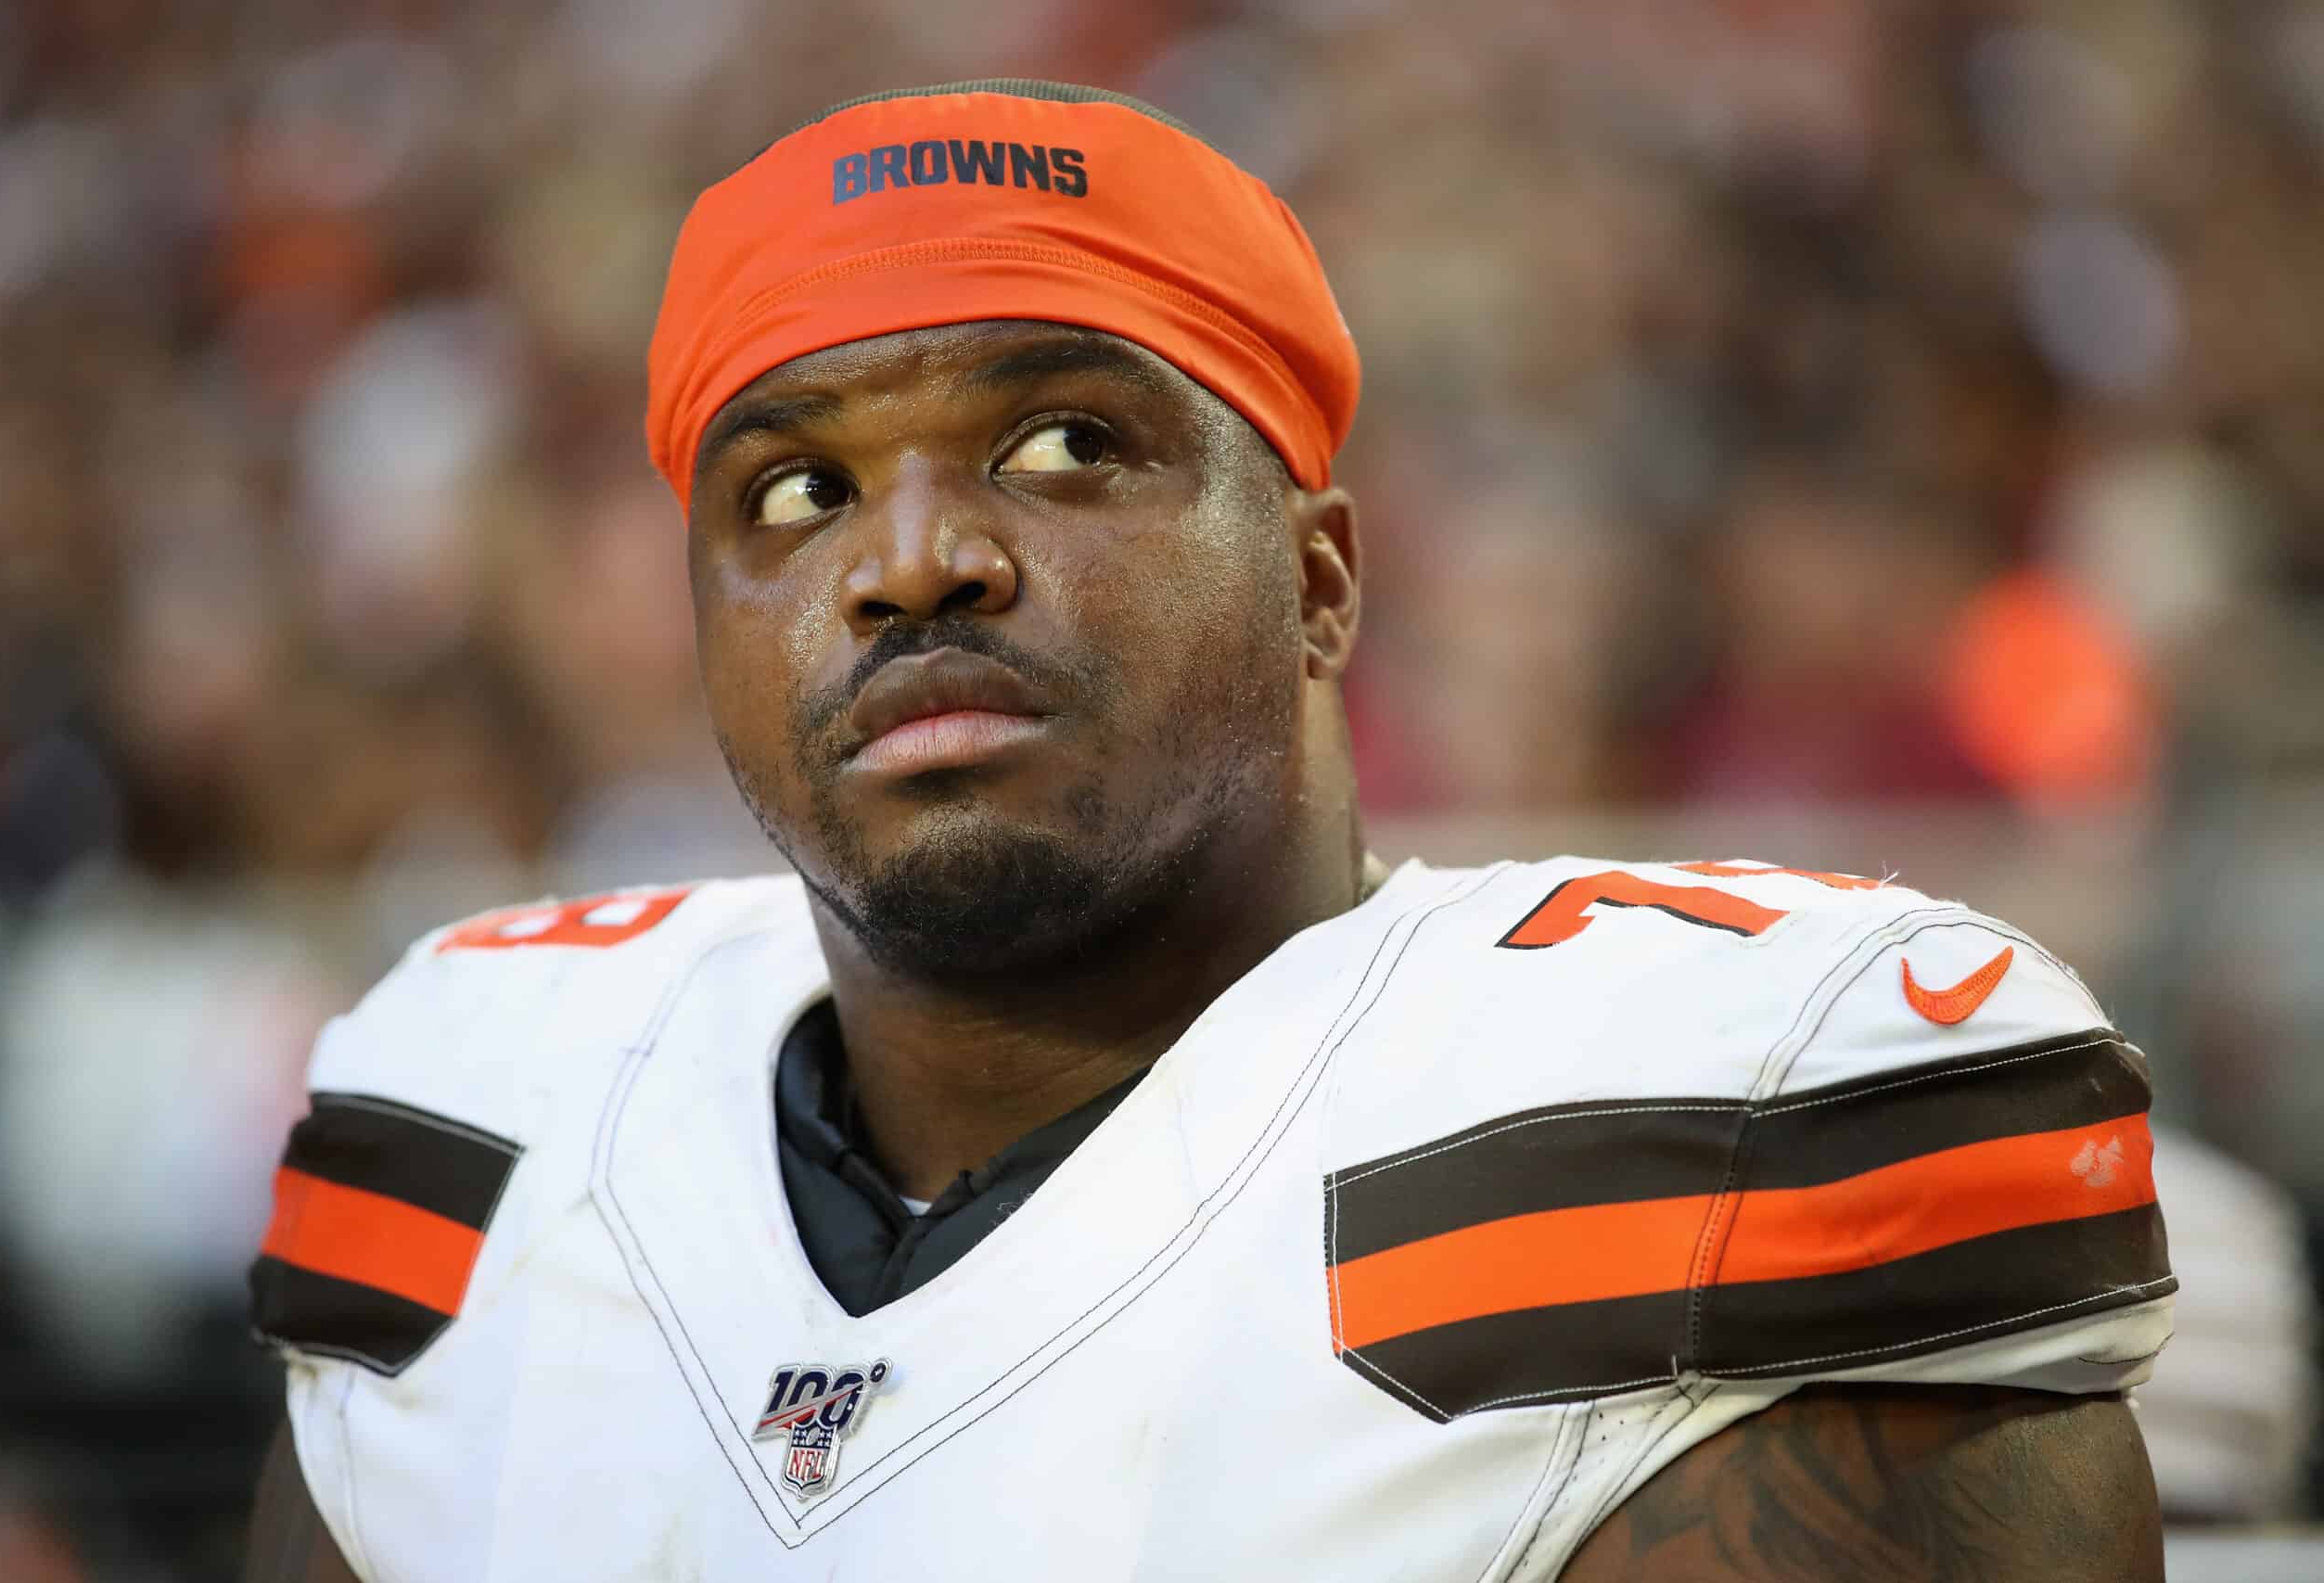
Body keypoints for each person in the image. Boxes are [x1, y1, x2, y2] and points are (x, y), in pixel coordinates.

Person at [242, 82, 2175, 1581]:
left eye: (1066, 442)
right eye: (797, 485)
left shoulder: (1717, 1108)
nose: (911, 557)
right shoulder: (490, 1108)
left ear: (1321, 583)